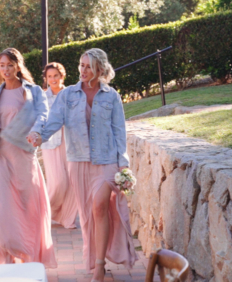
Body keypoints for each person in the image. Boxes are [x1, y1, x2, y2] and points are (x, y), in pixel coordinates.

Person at [33, 48, 138, 281]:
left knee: (100, 207)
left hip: (106, 160)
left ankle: (99, 265)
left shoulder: (111, 96)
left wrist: (123, 164)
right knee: (88, 215)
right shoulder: (68, 94)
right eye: (81, 65)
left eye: (88, 66)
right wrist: (39, 137)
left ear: (100, 69)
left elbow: (119, 131)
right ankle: (94, 256)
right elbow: (54, 122)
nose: (83, 70)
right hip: (78, 161)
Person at [0, 48, 56, 267]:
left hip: (23, 154)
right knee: (2, 207)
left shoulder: (32, 91)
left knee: (27, 206)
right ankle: (6, 256)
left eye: (9, 65)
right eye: (1, 66)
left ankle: (29, 255)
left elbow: (43, 114)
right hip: (0, 156)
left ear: (18, 66)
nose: (5, 70)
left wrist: (36, 131)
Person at [40, 62, 77, 229]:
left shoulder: (73, 94)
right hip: (50, 142)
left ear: (62, 76)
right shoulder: (42, 97)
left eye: (56, 75)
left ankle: (67, 218)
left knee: (72, 180)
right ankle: (43, 212)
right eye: (50, 76)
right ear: (46, 79)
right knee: (58, 182)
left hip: (71, 141)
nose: (53, 79)